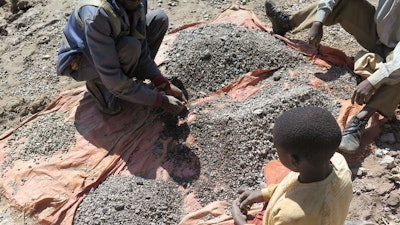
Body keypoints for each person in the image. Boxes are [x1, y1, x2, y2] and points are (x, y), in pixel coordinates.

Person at [264, 0, 400, 153]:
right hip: (379, 33)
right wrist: (318, 21)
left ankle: (360, 120)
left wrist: (373, 81)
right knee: (346, 3)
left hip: (397, 54)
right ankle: (286, 23)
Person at [56, 0, 186, 115]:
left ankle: (130, 82)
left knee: (158, 19)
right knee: (130, 47)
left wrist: (160, 81)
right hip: (81, 60)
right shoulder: (97, 14)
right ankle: (102, 90)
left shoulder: (137, 2)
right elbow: (113, 77)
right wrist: (160, 101)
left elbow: (141, 44)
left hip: (112, 42)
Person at [231, 106, 353, 225]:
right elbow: (290, 185)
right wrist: (264, 193)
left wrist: (240, 221)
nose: (276, 152)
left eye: (277, 150)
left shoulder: (289, 216)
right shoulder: (340, 163)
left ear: (294, 161)